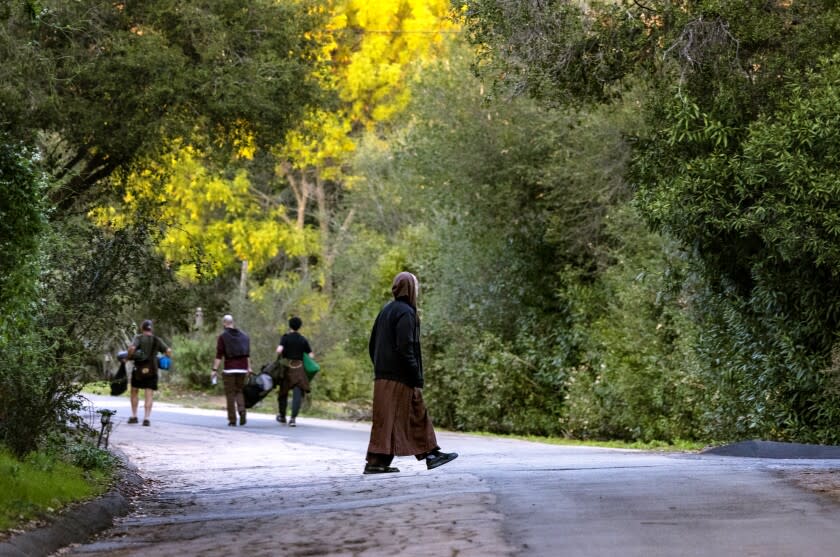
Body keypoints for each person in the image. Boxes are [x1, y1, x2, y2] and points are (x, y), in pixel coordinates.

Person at [364, 271, 458, 474]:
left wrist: (381, 367)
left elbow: (372, 345)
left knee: (386, 420)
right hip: (400, 377)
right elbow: (406, 347)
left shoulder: (386, 311)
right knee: (417, 413)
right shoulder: (407, 313)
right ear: (410, 288)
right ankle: (431, 455)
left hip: (383, 377)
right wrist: (415, 375)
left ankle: (376, 463)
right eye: (416, 285)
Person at [127, 320, 172, 426]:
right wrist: (166, 358)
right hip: (152, 370)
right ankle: (146, 418)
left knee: (134, 392)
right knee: (149, 394)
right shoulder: (157, 340)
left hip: (138, 370)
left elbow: (132, 348)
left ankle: (134, 416)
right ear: (151, 329)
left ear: (142, 328)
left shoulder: (138, 338)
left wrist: (129, 356)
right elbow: (168, 350)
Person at [212, 315, 252, 427]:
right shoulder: (244, 336)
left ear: (224, 323)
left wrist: (214, 369)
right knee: (239, 390)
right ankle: (242, 410)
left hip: (230, 368)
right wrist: (249, 367)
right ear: (232, 322)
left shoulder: (222, 337)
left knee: (230, 394)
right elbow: (247, 354)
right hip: (242, 368)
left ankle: (232, 419)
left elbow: (219, 355)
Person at [275, 316, 313, 427]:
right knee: (297, 394)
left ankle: (282, 416)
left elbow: (279, 350)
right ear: (299, 327)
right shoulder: (303, 339)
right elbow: (311, 355)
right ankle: (293, 419)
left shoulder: (285, 337)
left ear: (289, 325)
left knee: (283, 393)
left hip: (287, 368)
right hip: (299, 369)